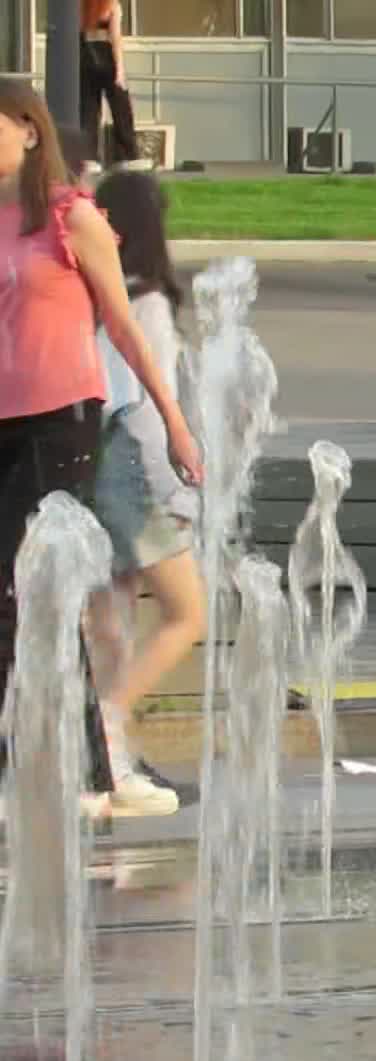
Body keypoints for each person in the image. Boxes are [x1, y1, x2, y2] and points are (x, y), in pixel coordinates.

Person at [0, 81, 202, 817]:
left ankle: (82, 773)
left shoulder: (70, 216)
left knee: (29, 592)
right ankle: (62, 767)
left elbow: (123, 325)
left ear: (29, 131)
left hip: (62, 420)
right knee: (19, 600)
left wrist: (175, 424)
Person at [83, 171, 206, 818]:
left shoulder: (95, 298)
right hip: (133, 473)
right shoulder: (148, 305)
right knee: (187, 613)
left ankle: (104, 765)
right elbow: (146, 414)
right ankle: (107, 728)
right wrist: (177, 497)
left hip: (94, 469)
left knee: (111, 625)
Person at [80, 0, 138, 167]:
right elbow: (115, 38)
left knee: (88, 111)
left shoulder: (82, 7)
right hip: (107, 60)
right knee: (121, 110)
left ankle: (88, 156)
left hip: (85, 60)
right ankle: (126, 155)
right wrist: (120, 69)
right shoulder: (112, 6)